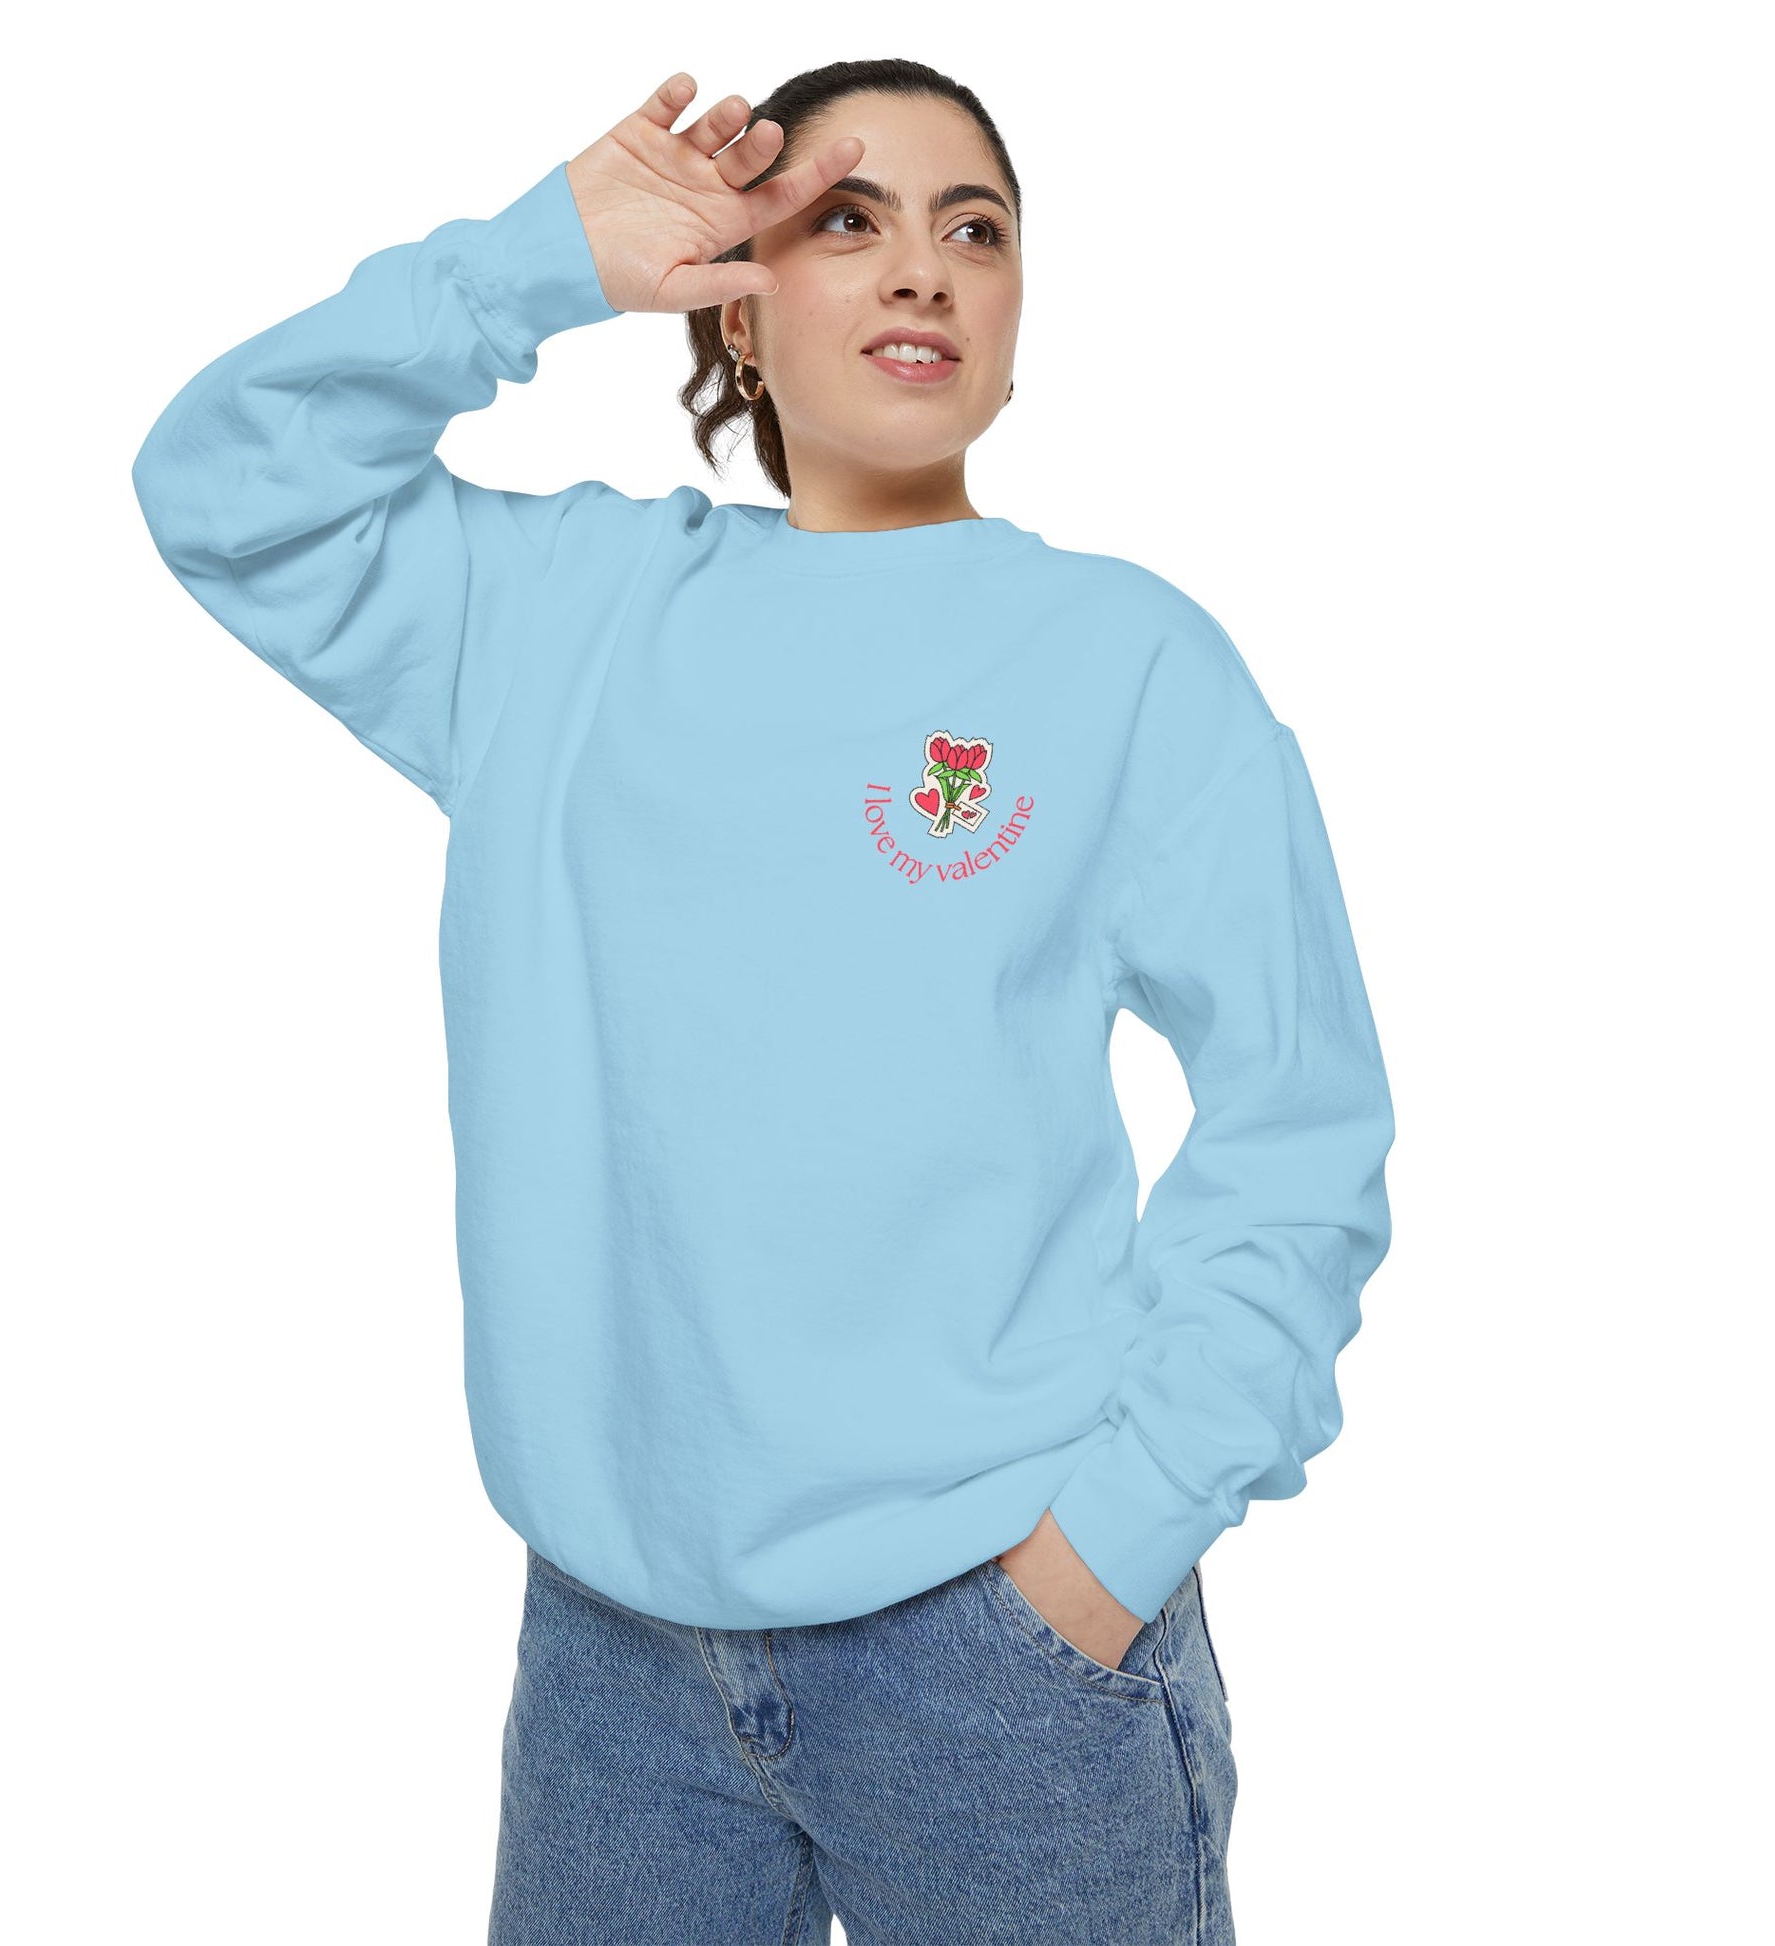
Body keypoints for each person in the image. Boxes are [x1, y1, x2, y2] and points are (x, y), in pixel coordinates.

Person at [131, 58, 1396, 1946]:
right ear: (733, 299)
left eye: (975, 230)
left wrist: (1109, 1548)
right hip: (613, 1657)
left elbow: (1299, 1122)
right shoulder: (555, 616)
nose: (922, 269)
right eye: (846, 220)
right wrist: (534, 263)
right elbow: (224, 488)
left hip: (1000, 1642)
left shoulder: (1128, 661)